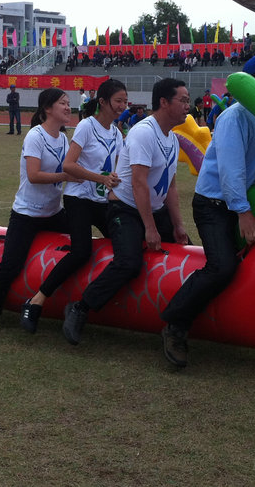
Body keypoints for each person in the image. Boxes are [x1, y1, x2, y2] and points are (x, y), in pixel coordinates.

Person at [159, 55, 255, 367]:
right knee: (222, 267)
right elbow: (232, 172)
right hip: (215, 205)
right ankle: (174, 324)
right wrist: (244, 213)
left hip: (246, 202)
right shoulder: (234, 119)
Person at [61, 78, 190, 346]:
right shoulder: (144, 132)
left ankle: (179, 320)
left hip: (152, 209)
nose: (189, 107)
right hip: (125, 209)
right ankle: (80, 307)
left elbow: (171, 186)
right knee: (129, 262)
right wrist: (150, 228)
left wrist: (178, 225)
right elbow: (138, 183)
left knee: (187, 250)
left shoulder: (173, 139)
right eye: (184, 101)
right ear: (164, 103)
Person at [18, 80, 125, 333]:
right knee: (81, 251)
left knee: (124, 245)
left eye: (125, 101)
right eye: (118, 100)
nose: (123, 105)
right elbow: (68, 165)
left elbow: (116, 170)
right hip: (78, 199)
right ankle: (36, 301)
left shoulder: (117, 134)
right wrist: (101, 178)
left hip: (102, 200)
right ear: (103, 102)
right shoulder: (87, 126)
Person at [0, 88, 77, 334]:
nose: (68, 107)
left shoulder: (63, 139)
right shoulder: (35, 136)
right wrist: (67, 175)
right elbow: (33, 175)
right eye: (63, 103)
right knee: (11, 264)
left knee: (81, 245)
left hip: (53, 213)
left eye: (68, 103)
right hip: (27, 214)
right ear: (47, 109)